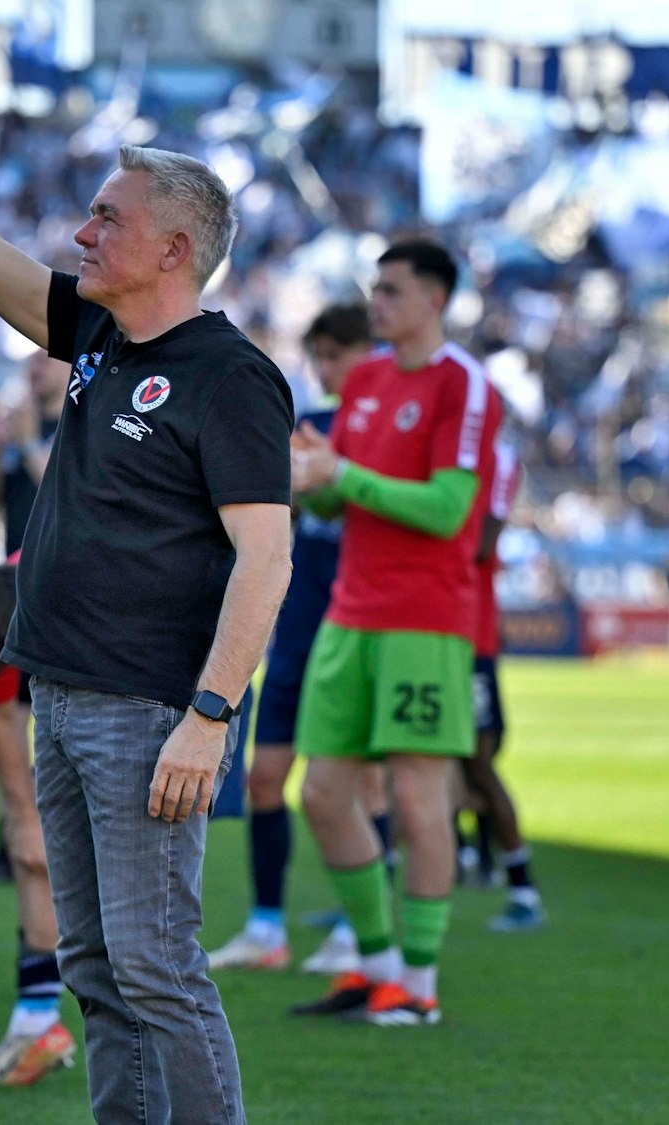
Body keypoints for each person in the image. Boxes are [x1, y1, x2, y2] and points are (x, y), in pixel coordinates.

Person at [0, 18, 292, 1121]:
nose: (81, 233)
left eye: (107, 220)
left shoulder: (229, 377)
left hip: (149, 708)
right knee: (94, 971)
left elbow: (264, 558)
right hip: (64, 694)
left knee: (155, 968)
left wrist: (209, 714)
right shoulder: (97, 335)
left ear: (174, 249)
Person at [288, 240, 502, 1028]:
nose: (376, 303)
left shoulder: (465, 387)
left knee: (418, 801)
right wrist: (311, 476)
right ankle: (374, 965)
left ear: (436, 299)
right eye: (373, 290)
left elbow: (449, 510)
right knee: (321, 792)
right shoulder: (368, 379)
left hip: (426, 616)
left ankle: (419, 982)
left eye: (391, 290)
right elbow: (336, 506)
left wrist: (343, 477)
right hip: (351, 610)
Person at [205, 301, 377, 974]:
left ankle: (359, 928)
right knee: (267, 777)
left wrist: (325, 478)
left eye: (340, 354)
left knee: (365, 787)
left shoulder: (379, 424)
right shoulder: (307, 422)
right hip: (299, 620)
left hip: (359, 621)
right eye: (321, 355)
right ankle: (266, 926)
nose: (328, 368)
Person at [0, 559, 76, 1087]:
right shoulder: (0, 609)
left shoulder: (99, 579)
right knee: (34, 844)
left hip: (156, 681)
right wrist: (22, 815)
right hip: (68, 648)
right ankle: (37, 1023)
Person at [0, 350, 70, 887]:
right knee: (9, 717)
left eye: (48, 360)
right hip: (12, 597)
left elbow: (64, 493)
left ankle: (47, 840)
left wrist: (25, 441)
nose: (35, 369)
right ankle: (12, 841)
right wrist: (0, 444)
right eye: (31, 362)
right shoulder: (22, 426)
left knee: (49, 726)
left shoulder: (79, 419)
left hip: (62, 596)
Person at [461, 432, 545, 932]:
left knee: (479, 766)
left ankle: (523, 890)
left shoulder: (493, 459)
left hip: (470, 639)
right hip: (430, 631)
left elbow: (484, 542)